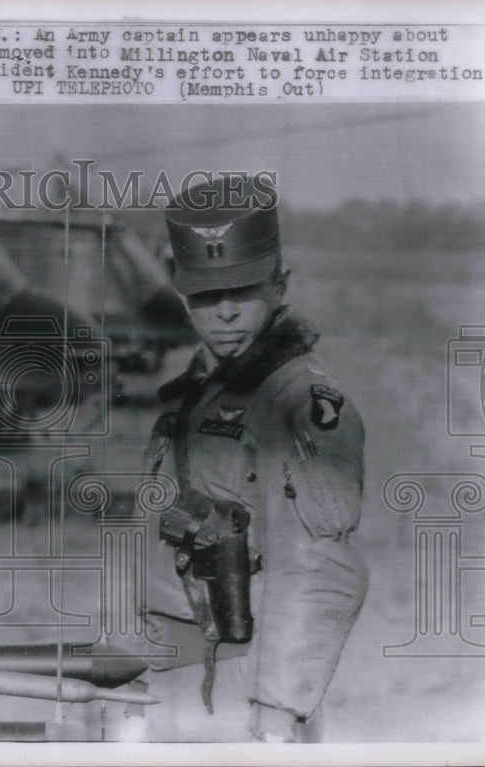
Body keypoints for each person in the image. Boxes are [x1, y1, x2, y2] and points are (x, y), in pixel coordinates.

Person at [127, 176, 368, 742]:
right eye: (207, 296)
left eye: (244, 290)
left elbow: (319, 566)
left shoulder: (298, 402)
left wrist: (278, 710)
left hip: (249, 682)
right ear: (184, 299)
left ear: (280, 285)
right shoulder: (207, 388)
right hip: (180, 665)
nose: (226, 312)